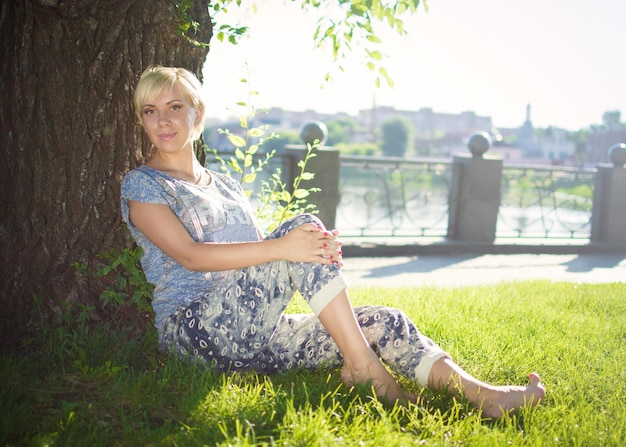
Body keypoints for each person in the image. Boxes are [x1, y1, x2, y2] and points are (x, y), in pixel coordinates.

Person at [120, 66, 545, 418]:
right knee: (298, 229)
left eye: (175, 107)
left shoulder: (226, 185)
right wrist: (288, 247)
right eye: (150, 111)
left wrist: (311, 250)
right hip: (196, 333)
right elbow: (191, 257)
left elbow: (258, 255)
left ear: (197, 114)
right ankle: (365, 370)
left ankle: (482, 395)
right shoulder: (145, 185)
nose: (162, 121)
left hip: (258, 332)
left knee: (385, 319)